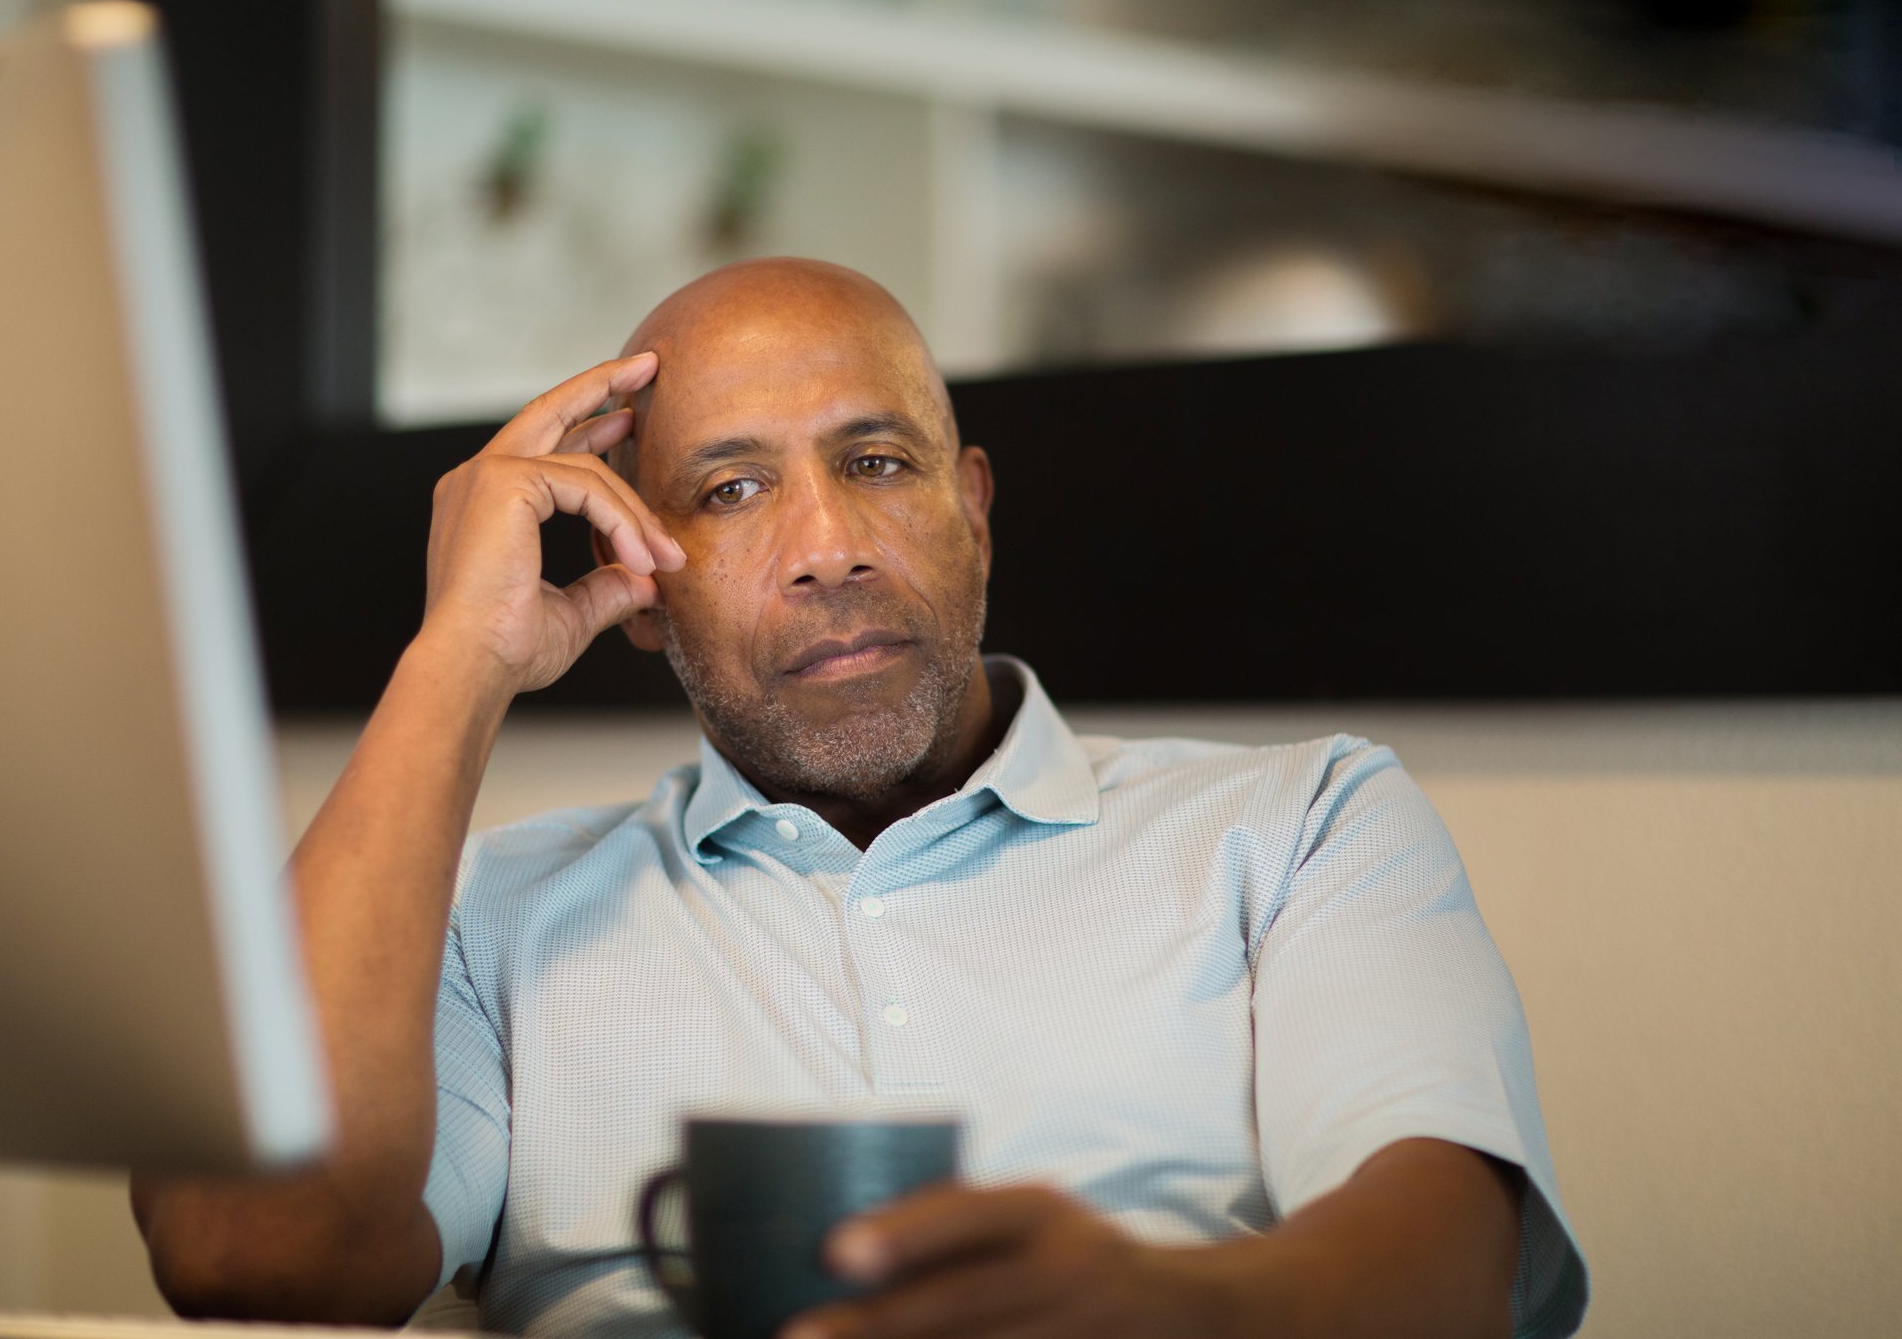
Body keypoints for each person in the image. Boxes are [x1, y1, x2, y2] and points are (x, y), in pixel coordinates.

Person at [134, 258, 1588, 1338]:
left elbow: (1447, 1275)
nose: (828, 545)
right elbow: (248, 1251)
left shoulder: (1304, 824)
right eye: (728, 492)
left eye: (876, 463)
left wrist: (1150, 1304)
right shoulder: (478, 921)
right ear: (635, 582)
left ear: (972, 511)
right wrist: (455, 657)